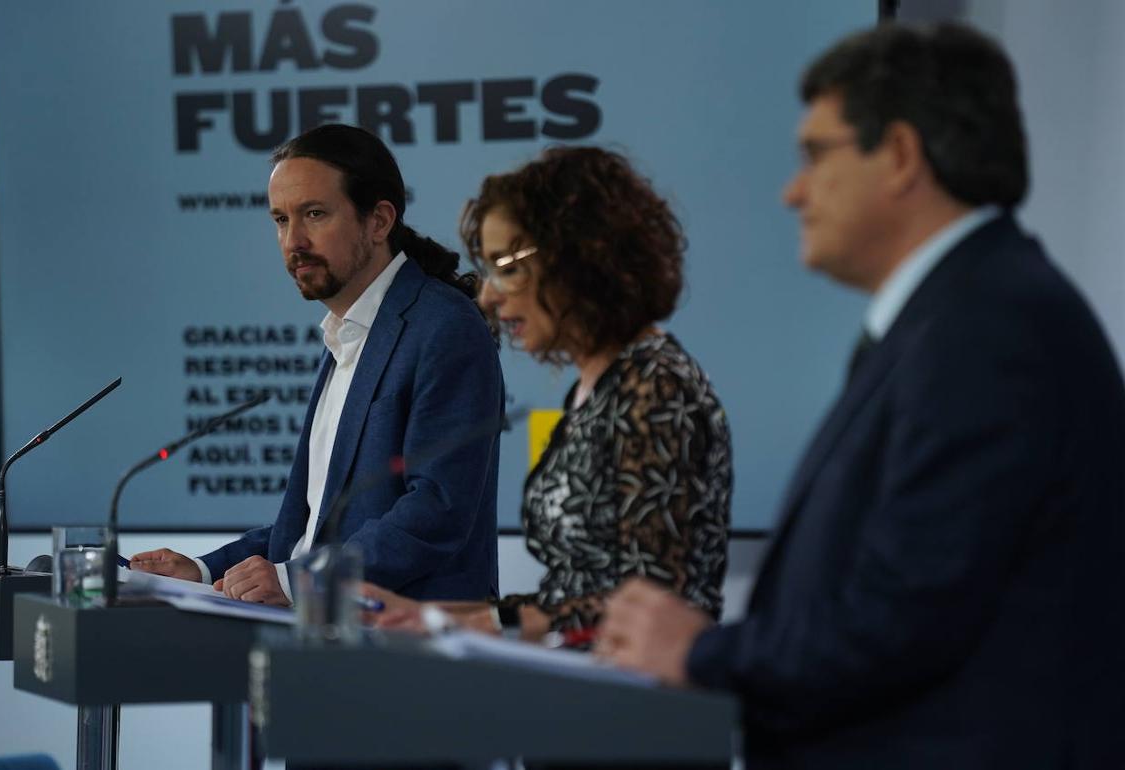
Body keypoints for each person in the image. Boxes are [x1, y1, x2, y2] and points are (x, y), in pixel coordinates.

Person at [597, 22, 1125, 769]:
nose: (793, 192)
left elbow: (898, 622)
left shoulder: (988, 331)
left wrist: (703, 653)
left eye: (816, 154)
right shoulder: (961, 315)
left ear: (902, 155)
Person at [367, 146, 732, 641]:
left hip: (641, 702)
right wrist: (434, 616)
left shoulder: (656, 388)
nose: (489, 295)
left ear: (582, 260)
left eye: (508, 266)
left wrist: (479, 622)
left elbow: (653, 605)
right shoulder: (598, 388)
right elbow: (579, 589)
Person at [131, 124, 504, 604]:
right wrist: (205, 572)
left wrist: (299, 582)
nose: (294, 241)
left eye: (314, 214)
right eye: (281, 220)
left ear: (379, 221)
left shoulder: (444, 327)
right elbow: (311, 529)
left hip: (411, 646)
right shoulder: (346, 335)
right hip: (329, 640)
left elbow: (436, 510)